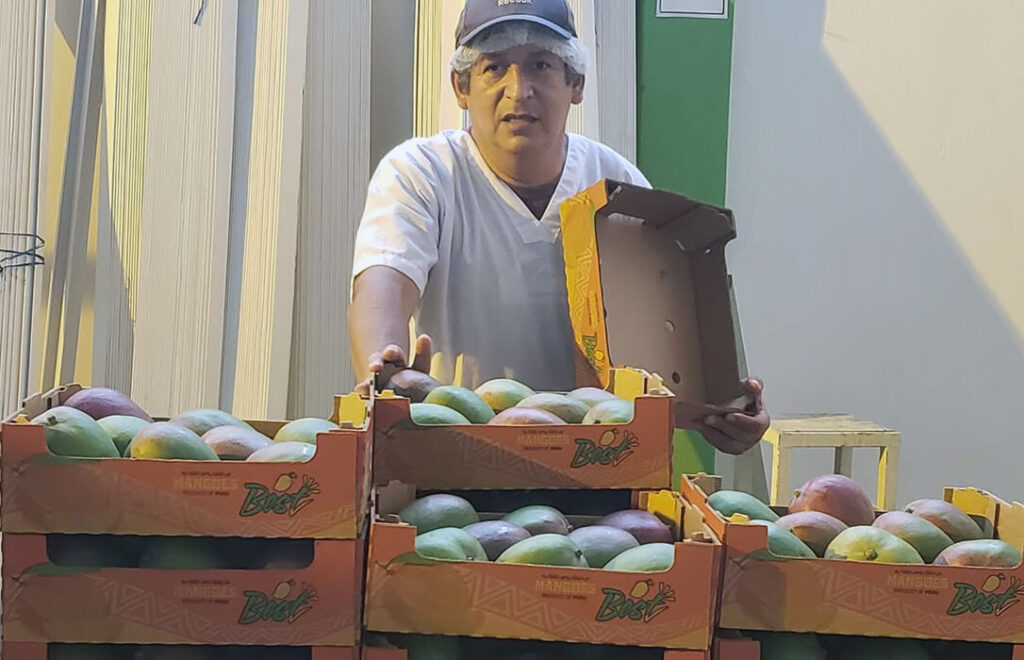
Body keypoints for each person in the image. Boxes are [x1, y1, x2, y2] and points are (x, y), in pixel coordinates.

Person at [348, 0, 767, 455]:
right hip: (456, 456)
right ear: (461, 87)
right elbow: (384, 283)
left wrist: (723, 413)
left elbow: (661, 343)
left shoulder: (613, 185)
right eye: (494, 67)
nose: (518, 91)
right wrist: (383, 365)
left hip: (598, 460)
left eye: (540, 65)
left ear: (576, 83)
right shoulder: (423, 173)